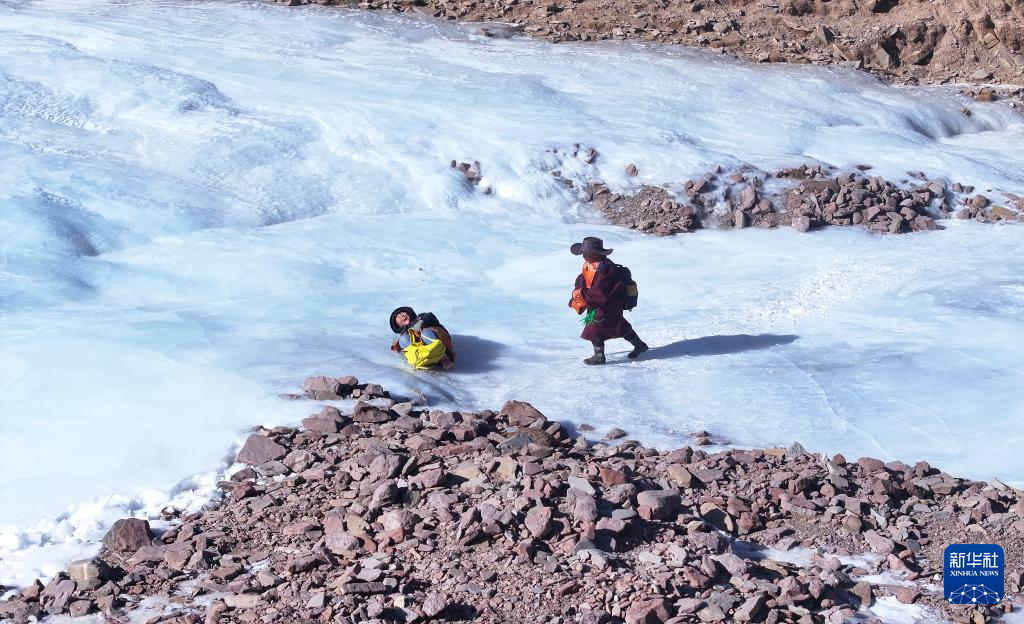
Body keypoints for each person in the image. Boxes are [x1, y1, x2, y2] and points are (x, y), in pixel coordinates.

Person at [568, 237, 648, 365]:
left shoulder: (607, 269)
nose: (583, 255)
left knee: (594, 328)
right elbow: (582, 280)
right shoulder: (590, 265)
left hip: (607, 305)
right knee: (620, 326)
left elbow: (601, 291)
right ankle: (640, 345)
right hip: (599, 304)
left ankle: (599, 357)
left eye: (585, 253)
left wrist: (583, 294)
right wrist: (578, 294)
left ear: (593, 254)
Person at [389, 307, 456, 370]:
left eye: (402, 313)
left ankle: (445, 357)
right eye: (398, 317)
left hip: (441, 345)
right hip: (424, 353)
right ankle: (418, 360)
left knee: (425, 333)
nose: (401, 316)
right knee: (403, 339)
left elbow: (430, 317)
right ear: (398, 325)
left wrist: (421, 321)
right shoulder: (405, 335)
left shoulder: (421, 317)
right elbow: (399, 346)